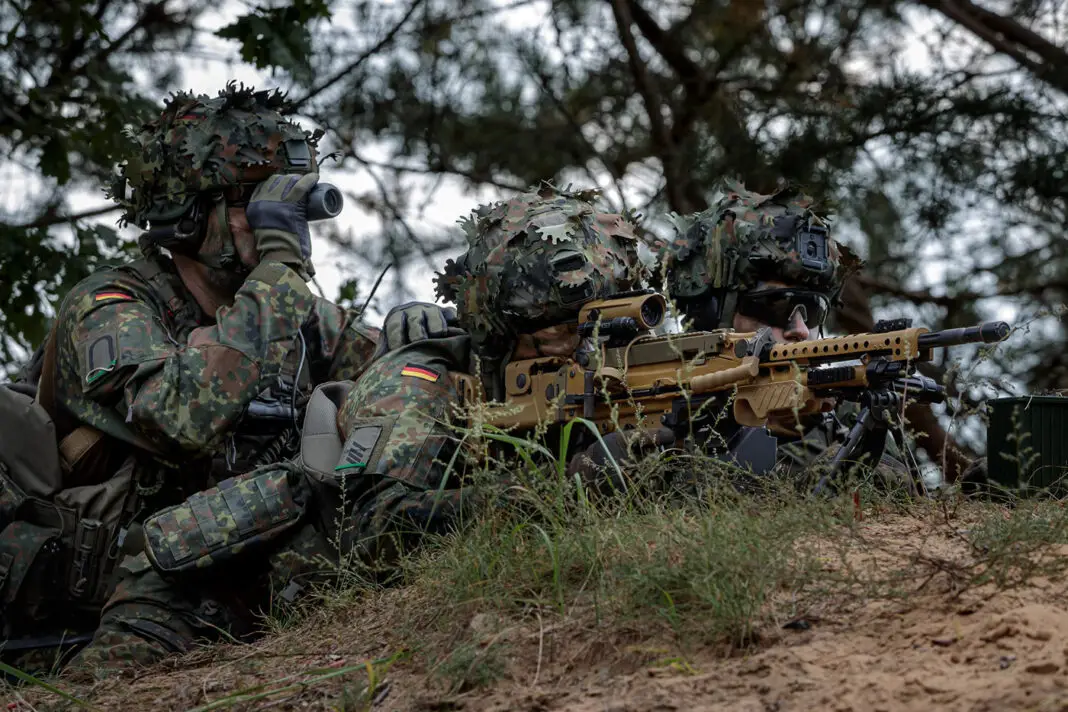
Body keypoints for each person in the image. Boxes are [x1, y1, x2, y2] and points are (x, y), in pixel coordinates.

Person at [62, 183, 650, 679]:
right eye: (557, 336)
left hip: (287, 588)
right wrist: (566, 489)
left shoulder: (565, 374)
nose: (583, 354)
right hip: (192, 587)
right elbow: (373, 520)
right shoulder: (421, 380)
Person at [1, 83, 447, 665]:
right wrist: (281, 270)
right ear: (186, 213)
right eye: (250, 202)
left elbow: (394, 384)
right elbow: (179, 417)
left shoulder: (295, 318)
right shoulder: (110, 306)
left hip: (233, 587)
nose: (275, 224)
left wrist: (432, 346)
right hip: (96, 612)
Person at [657, 178, 915, 490]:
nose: (801, 331)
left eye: (814, 310)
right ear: (714, 317)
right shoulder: (666, 426)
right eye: (778, 308)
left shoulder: (848, 425)